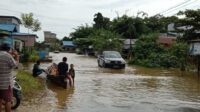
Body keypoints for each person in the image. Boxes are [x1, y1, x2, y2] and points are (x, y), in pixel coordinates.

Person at [0, 43, 19, 112]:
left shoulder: (6, 55)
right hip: (6, 83)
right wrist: (17, 56)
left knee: (0, 99)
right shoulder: (8, 56)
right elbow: (15, 66)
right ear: (8, 49)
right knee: (8, 101)